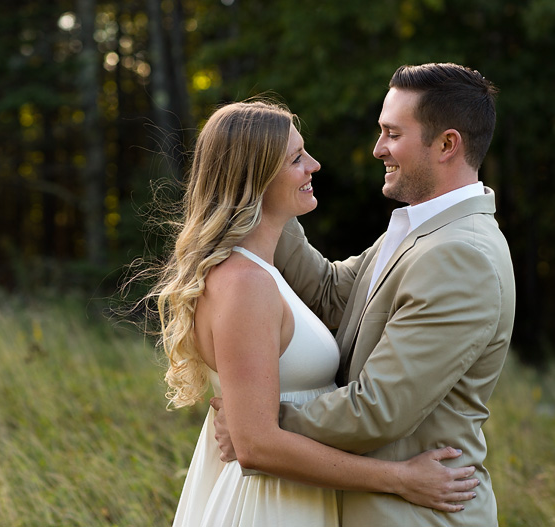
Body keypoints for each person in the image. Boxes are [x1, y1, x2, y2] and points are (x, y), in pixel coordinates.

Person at [148, 99, 480, 527]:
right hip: (268, 506)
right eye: (296, 158)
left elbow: (331, 289)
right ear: (257, 179)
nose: (314, 165)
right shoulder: (246, 284)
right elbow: (255, 446)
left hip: (295, 498)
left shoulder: (263, 272)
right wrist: (399, 478)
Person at [212, 63, 516, 527]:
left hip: (415, 516)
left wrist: (258, 428)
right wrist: (259, 174)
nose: (378, 149)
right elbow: (332, 294)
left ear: (447, 144)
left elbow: (377, 410)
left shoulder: (460, 255)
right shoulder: (424, 231)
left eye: (392, 133)